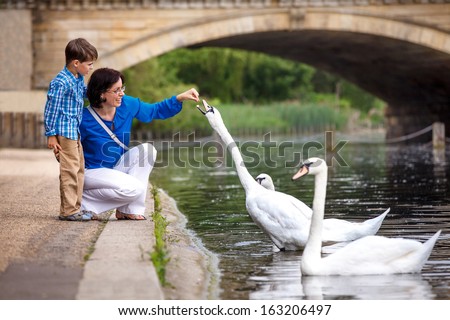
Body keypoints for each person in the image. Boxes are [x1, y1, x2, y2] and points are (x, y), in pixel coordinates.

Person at [79, 67, 199, 220]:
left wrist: (180, 98)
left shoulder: (127, 104)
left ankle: (129, 209)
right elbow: (67, 150)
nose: (121, 93)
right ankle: (86, 203)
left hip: (116, 167)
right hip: (92, 172)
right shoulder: (83, 118)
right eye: (116, 90)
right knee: (135, 188)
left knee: (148, 150)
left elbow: (154, 110)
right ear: (101, 93)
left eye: (122, 88)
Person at [44, 38, 98, 221]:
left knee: (79, 169)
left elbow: (82, 93)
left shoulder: (78, 78)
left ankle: (76, 207)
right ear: (76, 63)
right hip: (64, 132)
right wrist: (51, 134)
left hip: (75, 131)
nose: (91, 68)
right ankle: (68, 211)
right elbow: (51, 109)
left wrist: (99, 93)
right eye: (89, 64)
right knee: (69, 170)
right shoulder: (61, 82)